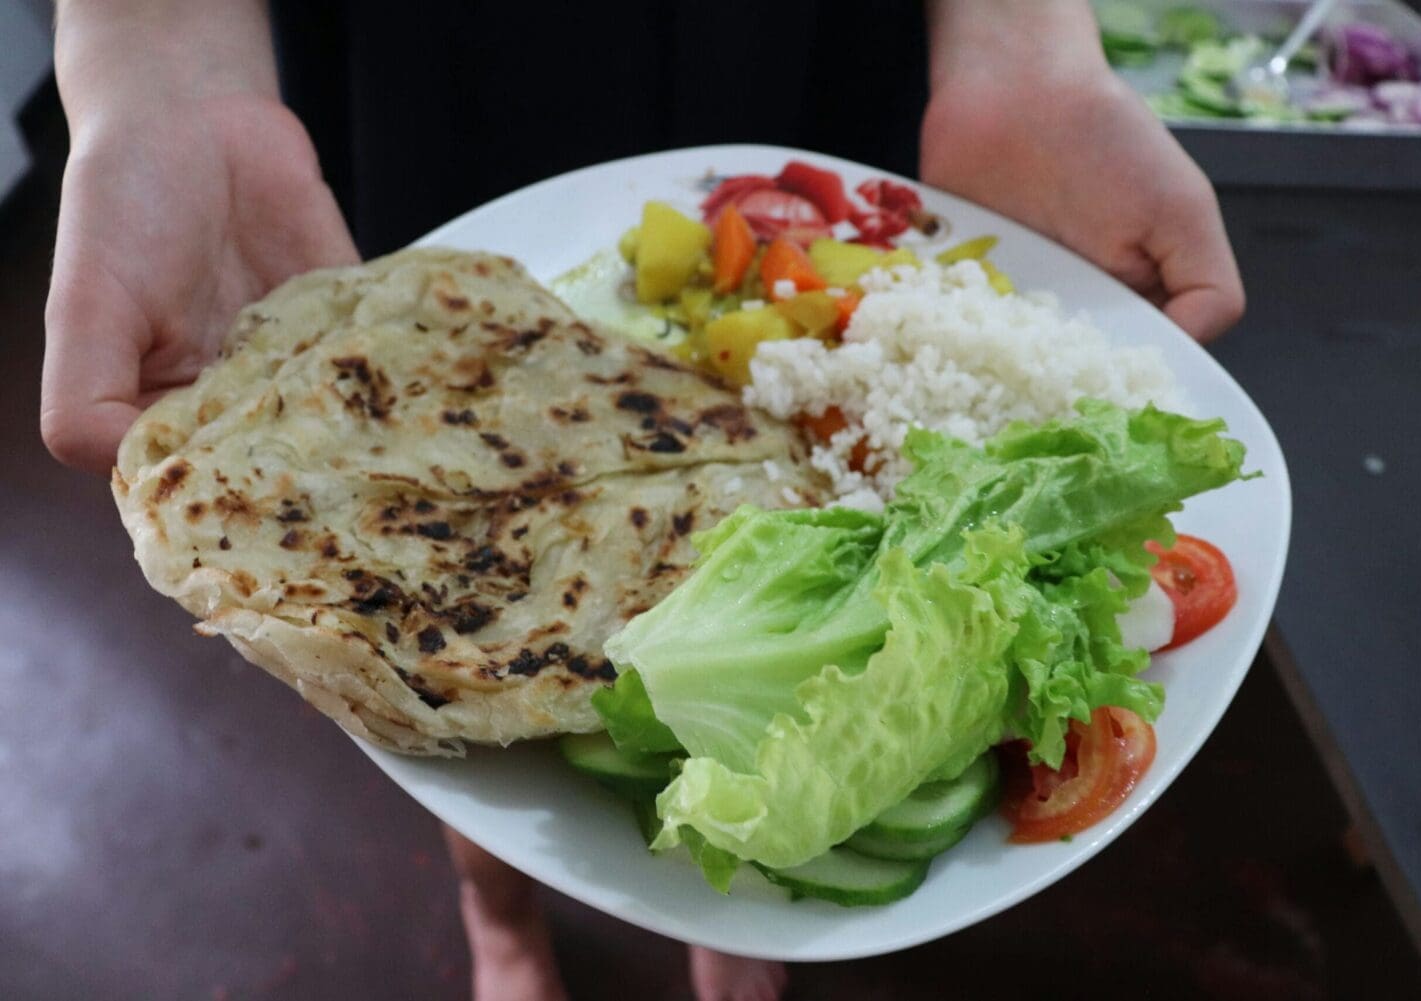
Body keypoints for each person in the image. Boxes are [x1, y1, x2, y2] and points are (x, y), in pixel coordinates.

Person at [40, 2, 1244, 999]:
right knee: (442, 676)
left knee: (689, 650)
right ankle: (497, 905)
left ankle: (724, 908)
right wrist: (162, 78)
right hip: (439, 61)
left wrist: (1024, 51)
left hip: (802, 41)